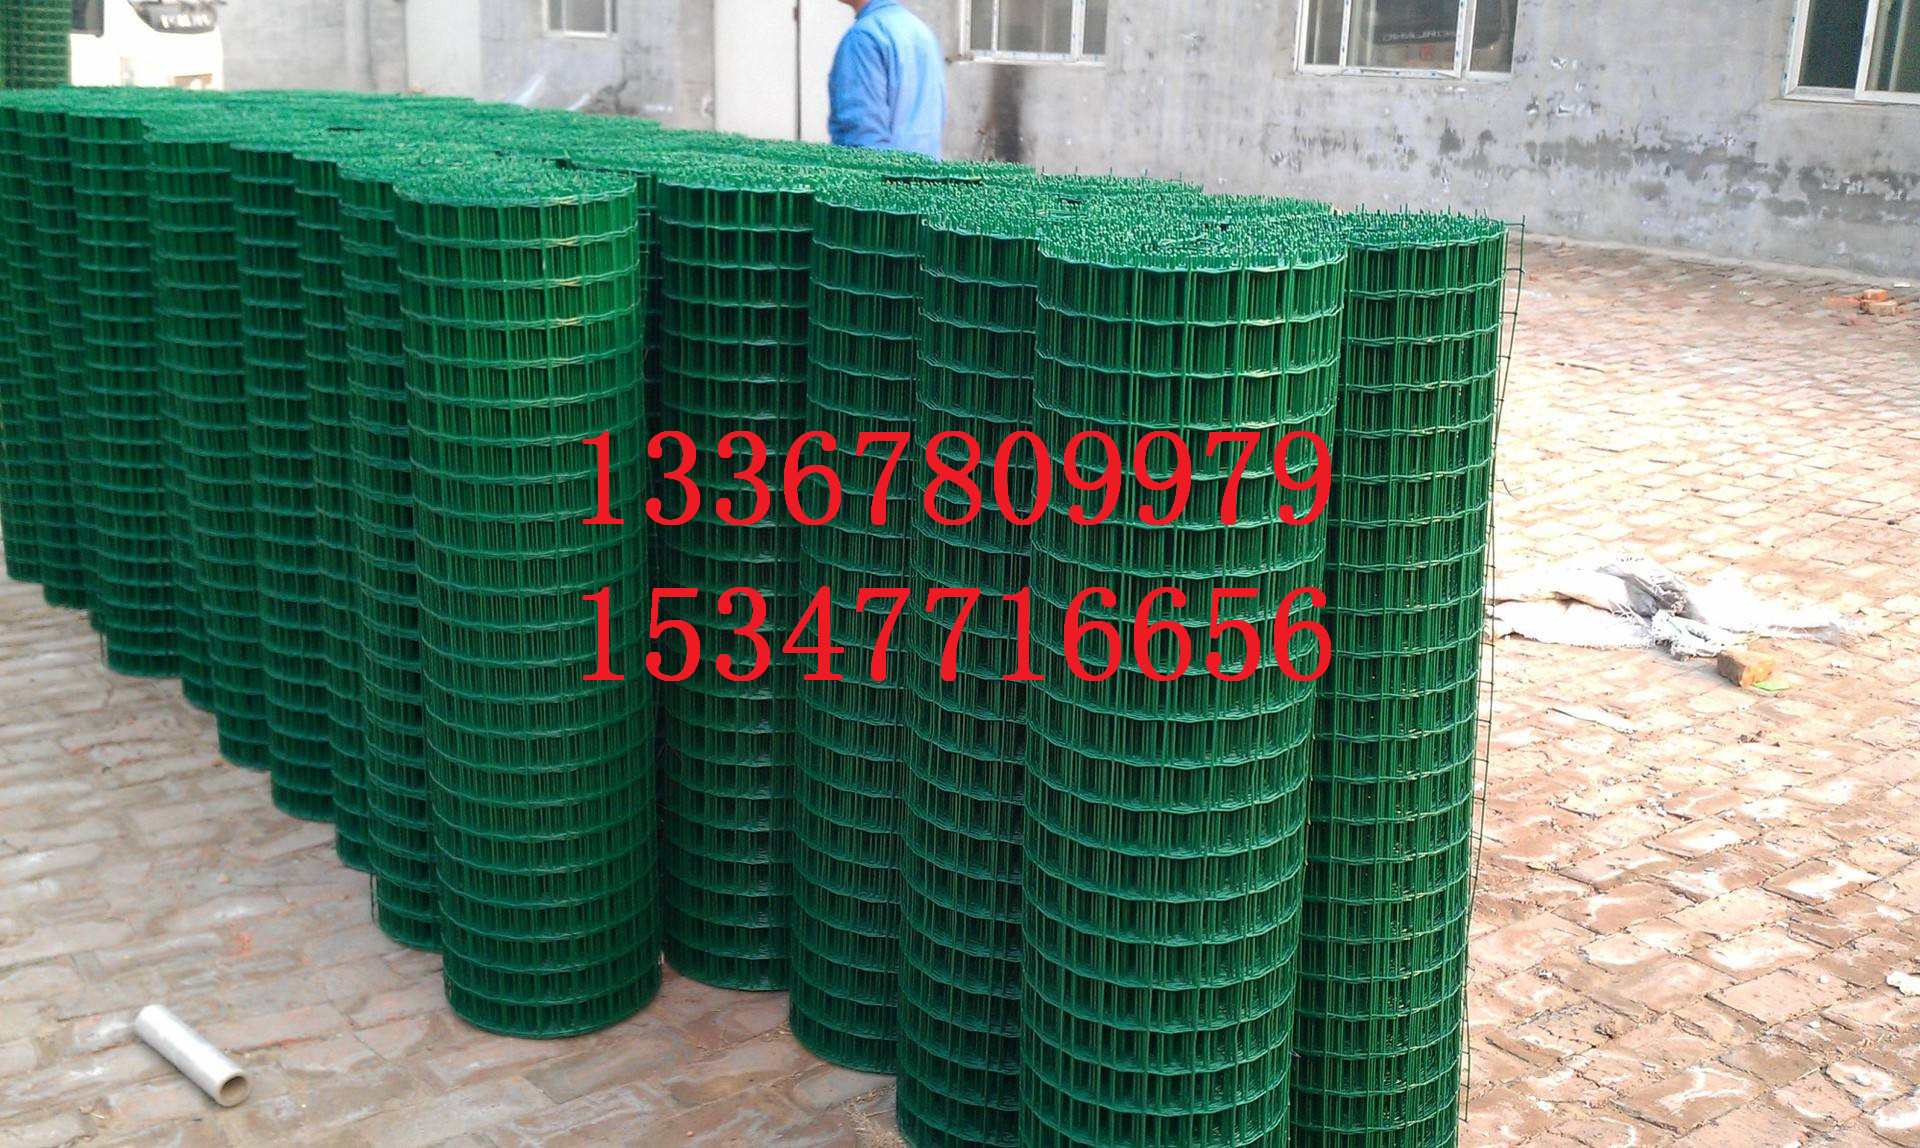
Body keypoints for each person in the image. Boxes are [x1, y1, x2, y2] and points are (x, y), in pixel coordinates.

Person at [828, 0, 945, 159]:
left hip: (882, 172)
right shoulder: (921, 31)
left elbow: (862, 137)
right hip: (928, 171)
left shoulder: (864, 36)